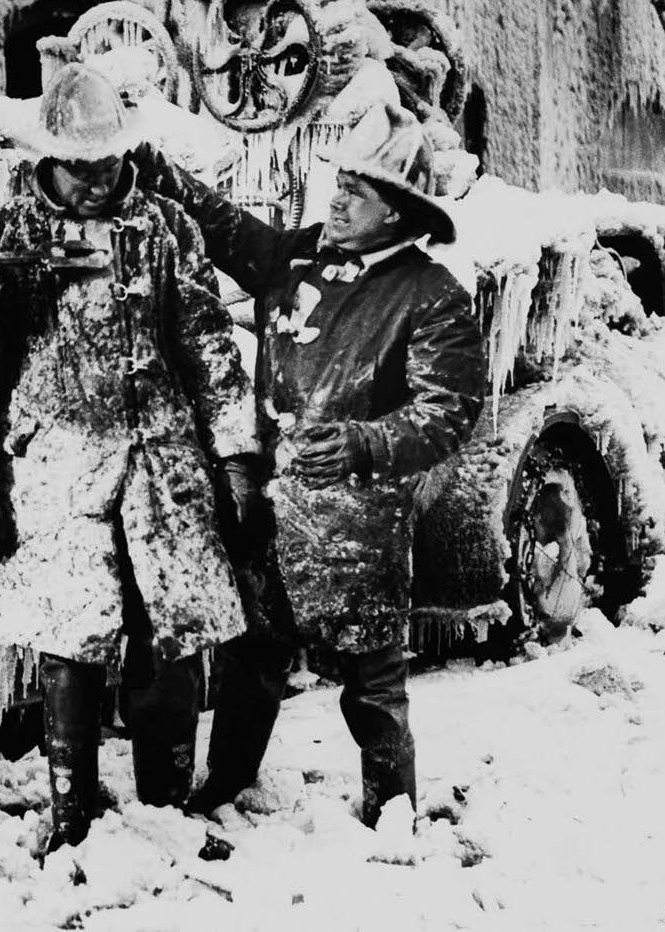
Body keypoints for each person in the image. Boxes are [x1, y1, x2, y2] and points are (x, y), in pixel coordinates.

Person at [0, 63, 262, 851]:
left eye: (109, 164)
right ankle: (72, 806)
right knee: (67, 635)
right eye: (80, 167)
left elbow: (210, 348)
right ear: (50, 157)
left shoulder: (167, 228)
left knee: (171, 630)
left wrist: (237, 457)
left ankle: (165, 803)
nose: (95, 180)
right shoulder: (10, 235)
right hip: (57, 467)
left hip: (164, 466)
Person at [131, 102, 486, 827]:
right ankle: (226, 784)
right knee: (253, 659)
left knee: (372, 679)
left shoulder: (431, 296)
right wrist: (165, 177)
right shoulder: (301, 257)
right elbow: (233, 235)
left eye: (357, 192)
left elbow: (448, 410)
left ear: (398, 213)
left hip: (355, 522)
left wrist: (364, 443)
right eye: (340, 184)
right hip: (269, 503)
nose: (338, 199)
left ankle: (392, 812)